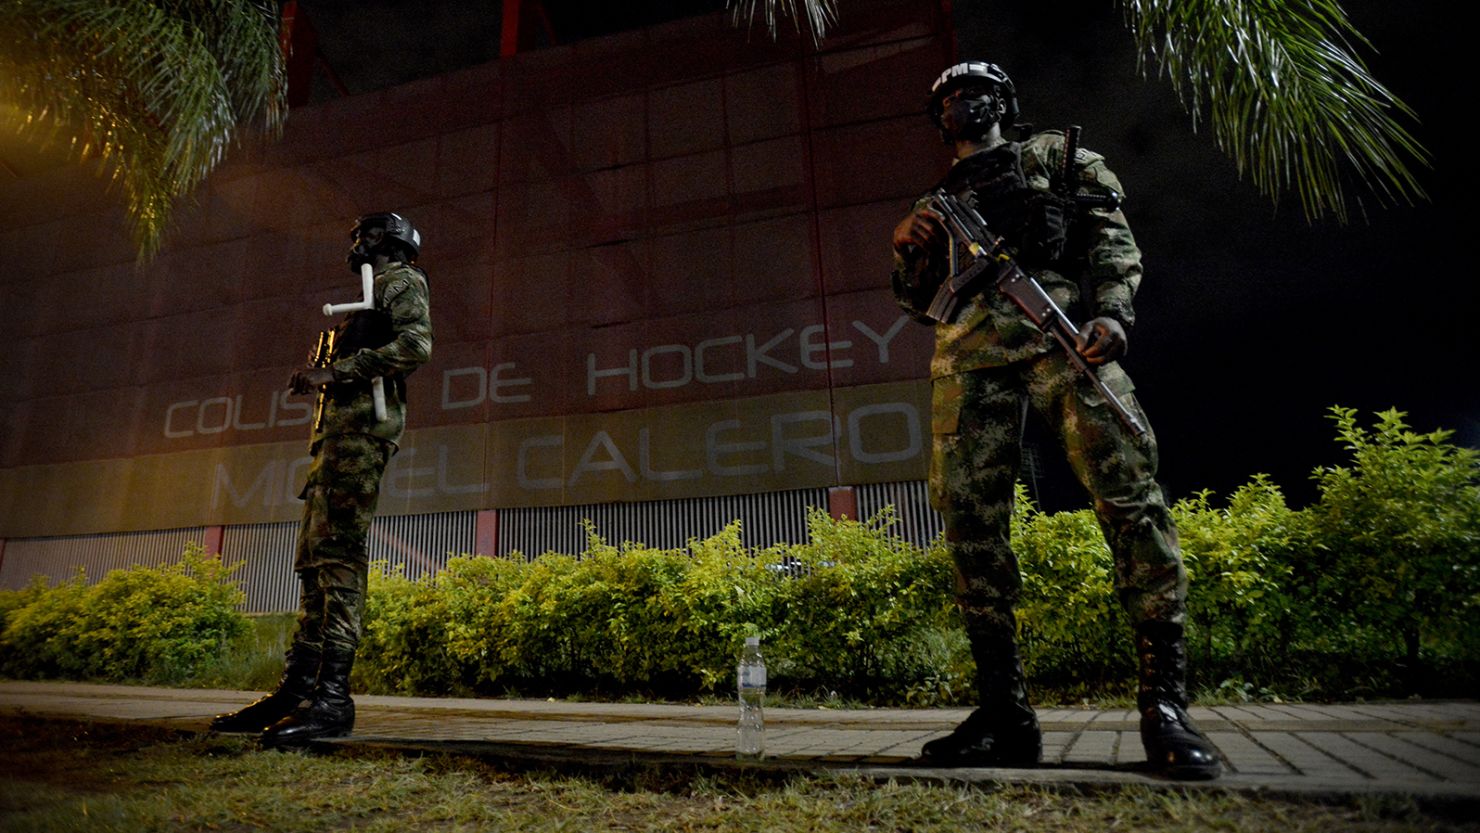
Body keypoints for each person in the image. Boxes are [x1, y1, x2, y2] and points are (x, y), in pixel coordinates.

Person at [891, 61, 1220, 780]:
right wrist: (906, 248)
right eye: (946, 97)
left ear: (1005, 101)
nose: (961, 103)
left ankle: (1164, 705)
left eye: (975, 92)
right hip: (966, 363)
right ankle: (1003, 715)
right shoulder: (935, 200)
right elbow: (918, 304)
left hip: (1061, 337)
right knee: (971, 530)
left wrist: (1112, 312)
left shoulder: (1060, 158)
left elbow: (1112, 240)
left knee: (1130, 498)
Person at [211, 212, 433, 746]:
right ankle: (298, 691)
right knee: (314, 564)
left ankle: (331, 700)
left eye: (368, 234)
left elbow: (416, 346)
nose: (358, 242)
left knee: (336, 558)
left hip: (359, 440)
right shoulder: (364, 294)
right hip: (333, 445)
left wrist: (336, 372)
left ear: (390, 240)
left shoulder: (401, 282)